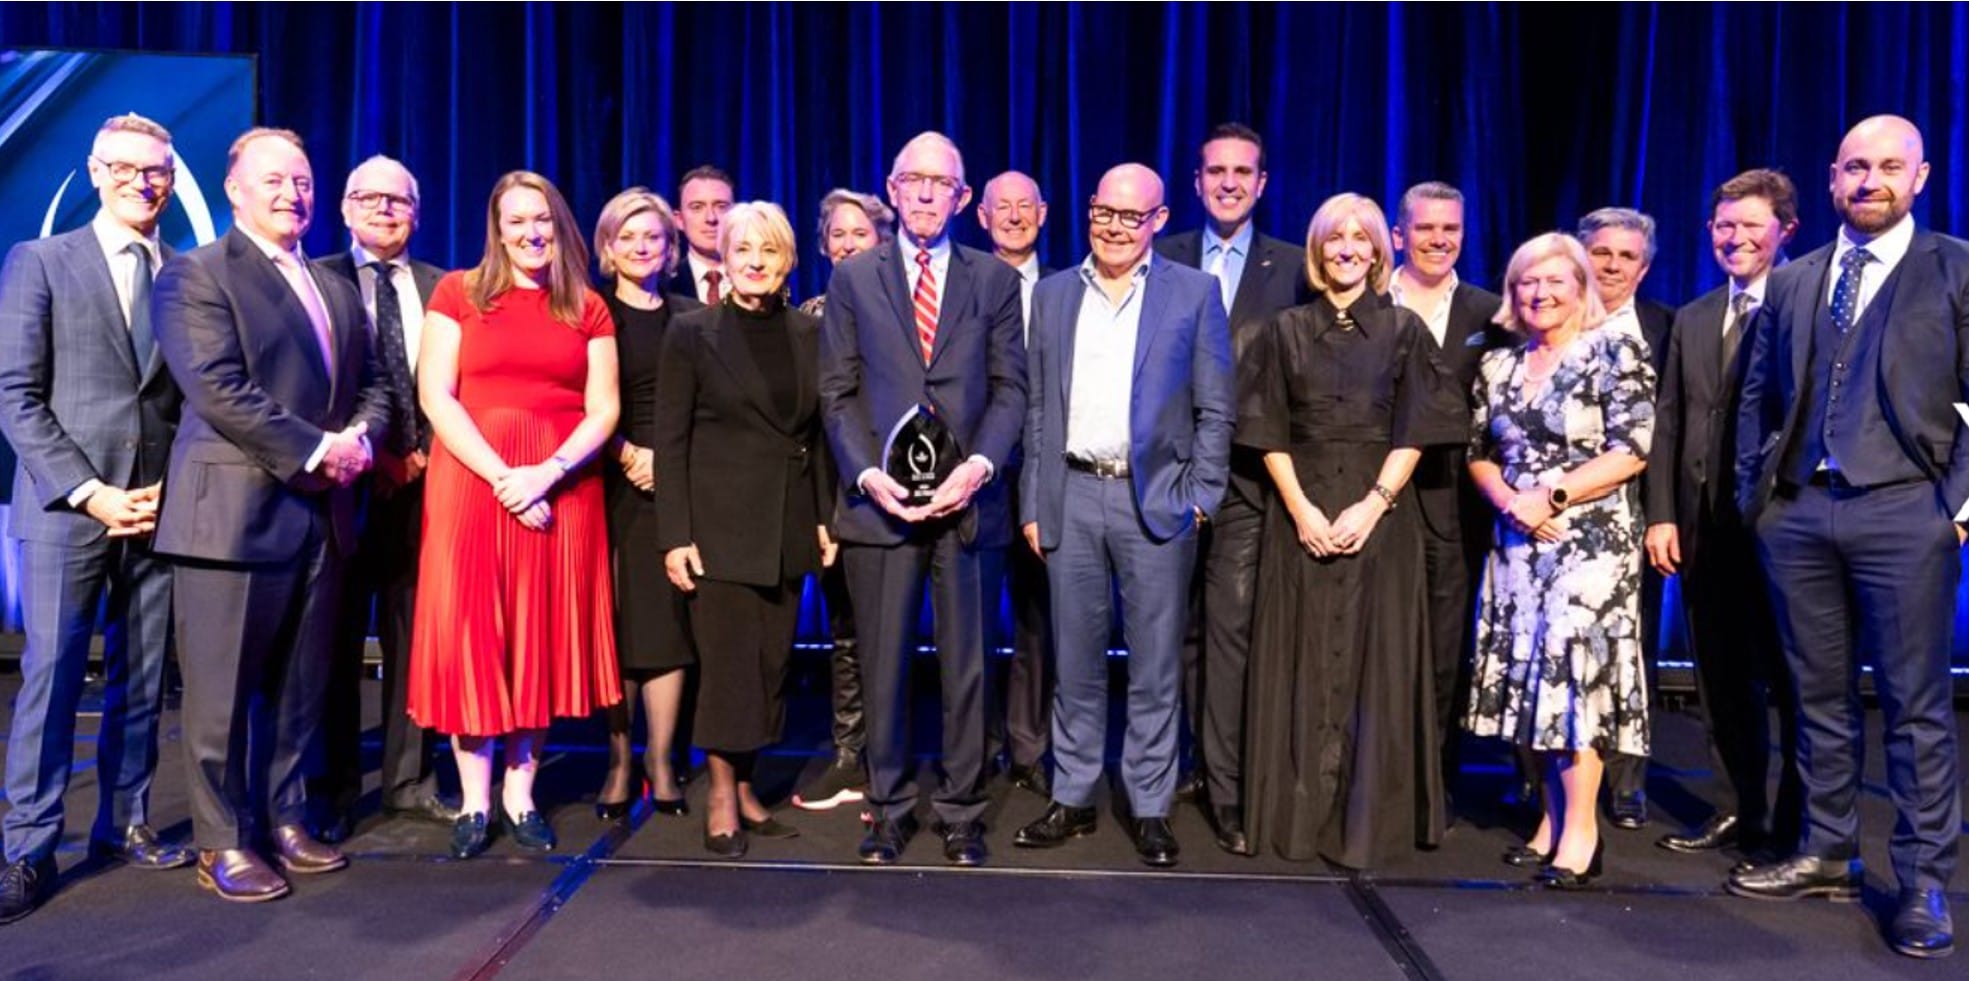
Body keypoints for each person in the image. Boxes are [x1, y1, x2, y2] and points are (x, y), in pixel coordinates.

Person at [1731, 115, 1965, 960]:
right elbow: (1757, 400)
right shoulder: (1794, 281)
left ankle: (1923, 878)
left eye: (1888, 167)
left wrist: (1956, 507)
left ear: (1920, 176)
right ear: (1831, 178)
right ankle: (1826, 847)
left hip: (1905, 512)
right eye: (1855, 167)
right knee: (1816, 696)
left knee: (1914, 709)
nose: (1870, 181)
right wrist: (1757, 500)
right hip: (1798, 513)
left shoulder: (1955, 269)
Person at [151, 127, 391, 902]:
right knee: (220, 698)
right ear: (234, 189)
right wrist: (321, 449)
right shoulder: (196, 275)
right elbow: (218, 388)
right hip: (233, 520)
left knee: (300, 689)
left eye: (303, 180)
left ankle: (286, 820)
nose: (293, 193)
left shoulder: (334, 283)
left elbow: (377, 381)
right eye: (275, 180)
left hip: (323, 518)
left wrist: (361, 437)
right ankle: (221, 841)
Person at [1013, 163, 1233, 868]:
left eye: (1128, 216)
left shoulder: (1194, 293)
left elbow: (1214, 407)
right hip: (1071, 496)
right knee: (1073, 659)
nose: (1112, 227)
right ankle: (1073, 795)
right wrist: (1032, 502)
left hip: (1157, 499)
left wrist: (1202, 497)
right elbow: (1039, 408)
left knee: (1154, 664)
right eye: (1102, 212)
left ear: (1158, 220)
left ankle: (1148, 803)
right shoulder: (1051, 295)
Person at [0, 113, 190, 924]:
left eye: (154, 171)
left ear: (173, 179)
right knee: (51, 675)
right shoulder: (41, 259)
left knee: (143, 678)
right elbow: (16, 395)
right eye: (122, 167)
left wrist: (167, 492)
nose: (139, 181)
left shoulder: (184, 272)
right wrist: (90, 490)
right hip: (70, 510)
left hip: (158, 510)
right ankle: (28, 846)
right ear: (92, 170)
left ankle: (126, 821)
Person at [818, 132, 1026, 868]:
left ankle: (963, 811)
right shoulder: (853, 280)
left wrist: (976, 466)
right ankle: (889, 807)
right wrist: (865, 474)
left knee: (966, 664)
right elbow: (836, 392)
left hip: (966, 506)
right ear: (893, 188)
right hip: (880, 508)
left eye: (944, 183)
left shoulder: (993, 282)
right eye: (915, 181)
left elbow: (1011, 391)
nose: (929, 194)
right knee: (884, 664)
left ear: (963, 198)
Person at [408, 171, 622, 860]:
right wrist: (505, 478)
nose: (531, 232)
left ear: (560, 226)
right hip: (475, 482)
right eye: (516, 221)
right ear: (496, 229)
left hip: (560, 486)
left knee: (539, 631)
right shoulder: (457, 292)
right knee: (474, 630)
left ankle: (520, 793)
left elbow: (604, 408)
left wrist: (546, 474)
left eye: (542, 220)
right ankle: (473, 799)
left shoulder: (587, 305)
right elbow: (436, 396)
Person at [1238, 192, 1451, 866]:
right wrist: (1301, 509)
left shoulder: (1405, 330)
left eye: (1360, 238)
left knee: (1373, 659)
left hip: (1377, 518)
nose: (1347, 249)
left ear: (1378, 251)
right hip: (1298, 513)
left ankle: (1363, 826)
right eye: (1335, 238)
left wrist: (1372, 503)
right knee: (1297, 657)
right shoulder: (1284, 330)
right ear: (1318, 249)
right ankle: (1296, 819)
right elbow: (1266, 427)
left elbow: (1416, 427)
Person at [1464, 231, 1654, 889]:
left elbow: (1633, 448)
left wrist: (1554, 494)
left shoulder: (1613, 352)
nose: (1540, 294)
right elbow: (1477, 451)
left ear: (1581, 287)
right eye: (1527, 283)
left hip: (1590, 545)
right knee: (1533, 681)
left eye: (1554, 282)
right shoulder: (1500, 365)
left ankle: (1582, 831)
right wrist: (1511, 500)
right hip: (1518, 540)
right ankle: (1548, 820)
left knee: (1574, 683)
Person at [656, 202, 832, 858]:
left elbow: (815, 437)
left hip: (786, 523)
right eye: (742, 251)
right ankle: (722, 792)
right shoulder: (693, 333)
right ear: (723, 260)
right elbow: (668, 441)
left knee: (770, 663)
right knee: (730, 666)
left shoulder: (809, 333)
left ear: (788, 261)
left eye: (769, 251)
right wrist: (674, 534)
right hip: (718, 527)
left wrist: (822, 517)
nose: (755, 262)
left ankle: (750, 782)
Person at [1152, 122, 1307, 852]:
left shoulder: (1292, 267)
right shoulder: (1162, 255)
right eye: (1214, 170)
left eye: (1242, 171)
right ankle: (1177, 763)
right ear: (1195, 180)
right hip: (1163, 477)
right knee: (1168, 632)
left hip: (1248, 480)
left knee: (1230, 632)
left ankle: (1228, 783)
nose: (1227, 182)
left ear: (1262, 183)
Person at [1644, 169, 1803, 864]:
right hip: (1704, 528)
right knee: (1719, 678)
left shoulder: (1807, 306)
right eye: (1723, 226)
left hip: (1785, 530)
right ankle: (1739, 806)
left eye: (1749, 225)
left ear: (1785, 230)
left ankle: (1802, 824)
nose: (1734, 238)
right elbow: (1670, 420)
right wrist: (1661, 514)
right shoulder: (1696, 314)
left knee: (1798, 680)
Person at [312, 155, 456, 842]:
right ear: (343, 208)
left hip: (428, 488)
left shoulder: (447, 287)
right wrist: (378, 452)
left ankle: (406, 781)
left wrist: (426, 449)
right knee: (332, 642)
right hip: (338, 486)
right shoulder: (312, 279)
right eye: (368, 198)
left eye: (398, 199)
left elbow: (459, 383)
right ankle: (333, 788)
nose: (384, 209)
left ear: (417, 211)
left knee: (411, 639)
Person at [1386, 181, 1506, 800]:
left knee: (1441, 645)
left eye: (1451, 229)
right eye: (1426, 229)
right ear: (1399, 234)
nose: (1439, 240)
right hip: (1373, 500)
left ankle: (1430, 784)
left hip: (1454, 506)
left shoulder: (1493, 313)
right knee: (1372, 642)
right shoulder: (1368, 301)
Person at [591, 187, 701, 821]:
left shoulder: (689, 316)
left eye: (653, 238)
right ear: (608, 247)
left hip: (678, 487)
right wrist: (626, 453)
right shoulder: (590, 312)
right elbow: (576, 401)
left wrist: (671, 463)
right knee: (619, 627)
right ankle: (618, 759)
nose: (641, 247)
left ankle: (661, 761)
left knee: (668, 627)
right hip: (611, 484)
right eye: (627, 237)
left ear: (671, 248)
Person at [792, 188, 893, 812]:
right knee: (849, 635)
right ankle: (851, 757)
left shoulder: (909, 309)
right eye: (838, 234)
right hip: (840, 500)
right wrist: (820, 512)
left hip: (912, 493)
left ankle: (898, 757)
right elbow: (810, 426)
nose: (850, 243)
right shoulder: (809, 315)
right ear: (824, 246)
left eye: (862, 232)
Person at [1578, 205, 1675, 830]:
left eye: (1626, 257)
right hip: (1556, 512)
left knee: (1627, 648)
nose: (1612, 266)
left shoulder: (1669, 328)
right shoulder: (1548, 311)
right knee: (1558, 647)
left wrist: (1662, 516)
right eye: (1602, 253)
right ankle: (1543, 779)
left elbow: (1670, 433)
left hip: (1634, 513)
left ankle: (1626, 779)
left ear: (1644, 267)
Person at [975, 169, 1054, 798]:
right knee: (971, 620)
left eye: (1024, 206)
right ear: (980, 216)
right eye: (1001, 207)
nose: (1013, 215)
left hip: (1048, 476)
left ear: (1043, 214)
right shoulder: (964, 283)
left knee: (1038, 620)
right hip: (977, 477)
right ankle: (973, 746)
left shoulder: (1067, 289)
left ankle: (1028, 750)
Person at [666, 165, 735, 304]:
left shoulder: (757, 280)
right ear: (679, 220)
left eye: (721, 206)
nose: (711, 218)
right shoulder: (663, 286)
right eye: (697, 207)